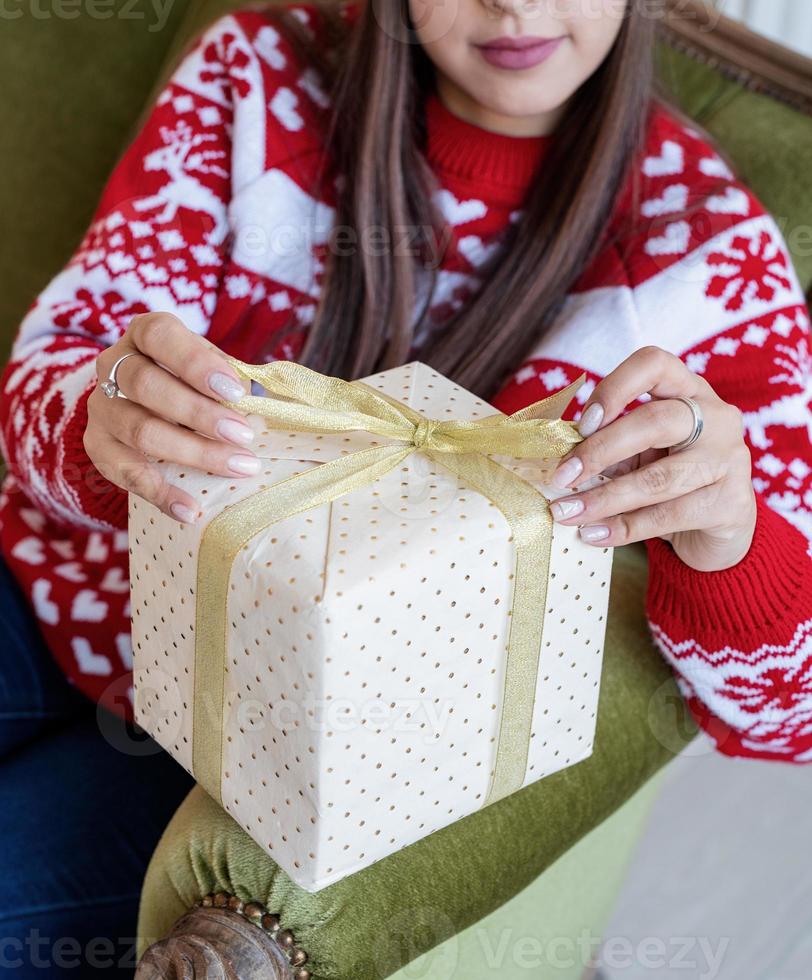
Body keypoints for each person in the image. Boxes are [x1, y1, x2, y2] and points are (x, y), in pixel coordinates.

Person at [1, 0, 810, 972]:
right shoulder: (263, 74)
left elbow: (789, 716)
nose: (512, 5)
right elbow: (53, 368)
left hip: (252, 750)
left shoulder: (704, 258)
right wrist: (103, 416)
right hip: (51, 578)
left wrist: (728, 535)